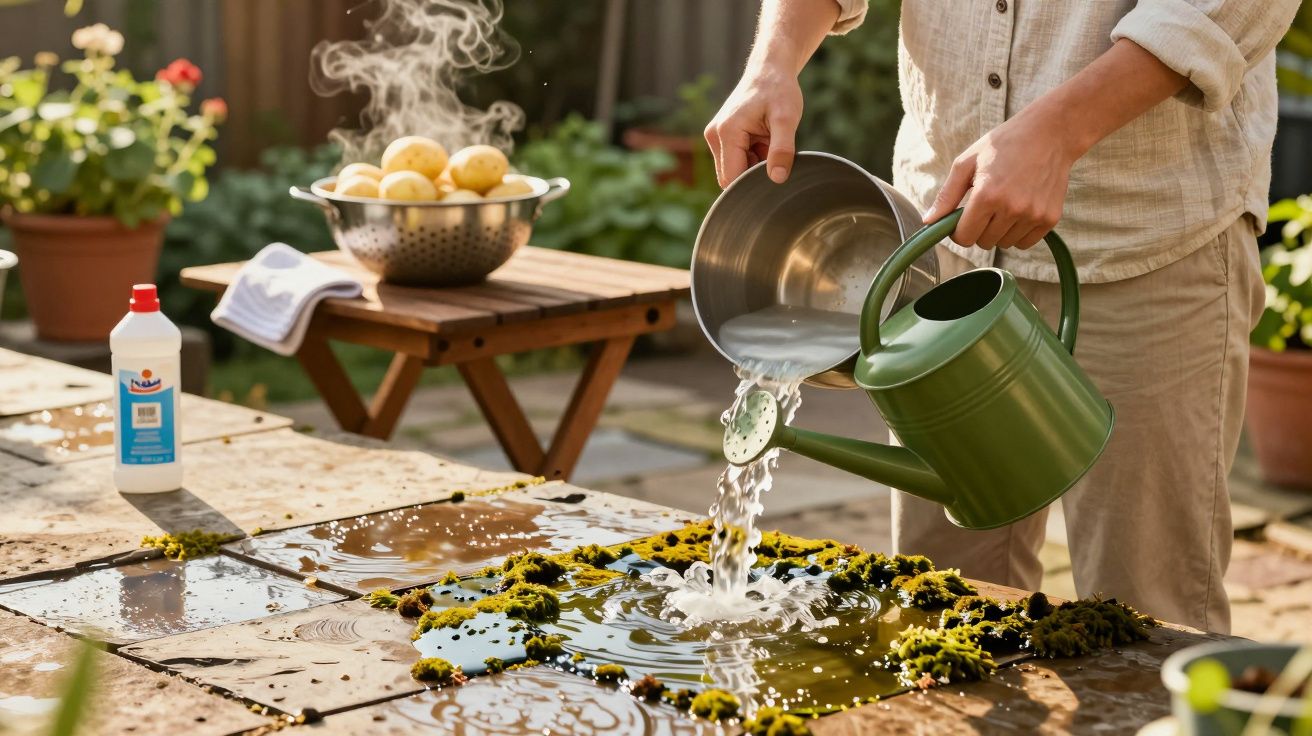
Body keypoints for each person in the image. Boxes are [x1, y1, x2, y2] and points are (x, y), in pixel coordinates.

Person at [705, 1, 1300, 633]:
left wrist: (1057, 132)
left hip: (1145, 236)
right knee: (939, 602)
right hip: (942, 243)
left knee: (1148, 612)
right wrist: (772, 63)